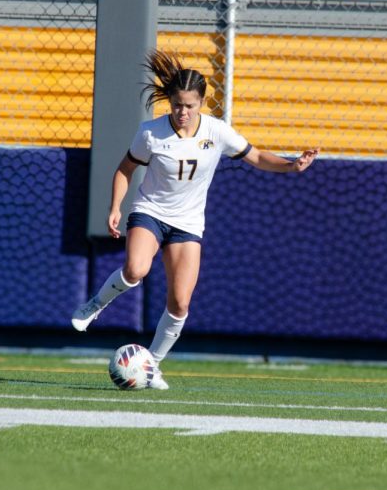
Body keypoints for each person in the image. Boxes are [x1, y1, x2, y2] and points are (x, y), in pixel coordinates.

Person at [71, 51, 318, 389]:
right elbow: (125, 169)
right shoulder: (150, 133)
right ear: (169, 102)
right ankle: (96, 304)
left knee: (180, 302)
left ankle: (151, 365)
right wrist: (116, 206)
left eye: (189, 105)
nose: (182, 112)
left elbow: (257, 156)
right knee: (135, 270)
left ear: (202, 102)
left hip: (188, 224)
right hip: (151, 211)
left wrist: (292, 165)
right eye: (176, 104)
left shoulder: (217, 132)